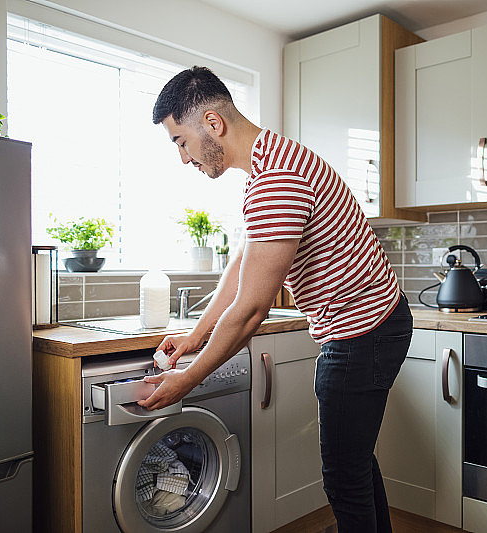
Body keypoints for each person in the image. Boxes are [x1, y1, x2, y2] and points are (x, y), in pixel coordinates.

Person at [138, 66, 413, 532]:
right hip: (376, 324)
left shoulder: (276, 180)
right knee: (357, 464)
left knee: (344, 477)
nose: (183, 158)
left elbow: (250, 311)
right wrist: (194, 336)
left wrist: (187, 381)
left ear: (212, 122)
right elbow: (240, 268)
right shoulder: (268, 165)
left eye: (180, 141)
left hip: (362, 333)